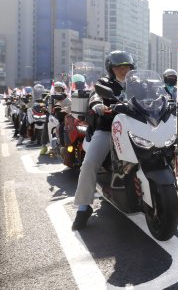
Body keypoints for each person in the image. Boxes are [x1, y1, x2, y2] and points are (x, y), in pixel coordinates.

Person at [71, 50, 135, 230]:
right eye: (119, 67)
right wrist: (96, 104)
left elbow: (151, 95)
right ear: (111, 69)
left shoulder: (137, 84)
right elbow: (96, 94)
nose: (123, 70)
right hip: (109, 128)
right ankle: (83, 207)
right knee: (90, 163)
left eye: (127, 66)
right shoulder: (104, 83)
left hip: (135, 128)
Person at [39, 81, 71, 155]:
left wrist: (64, 109)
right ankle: (44, 146)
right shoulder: (50, 97)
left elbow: (71, 107)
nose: (57, 90)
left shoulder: (67, 98)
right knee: (46, 124)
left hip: (63, 117)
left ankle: (65, 145)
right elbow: (45, 105)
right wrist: (43, 108)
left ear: (63, 89)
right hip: (52, 116)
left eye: (59, 89)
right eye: (56, 88)